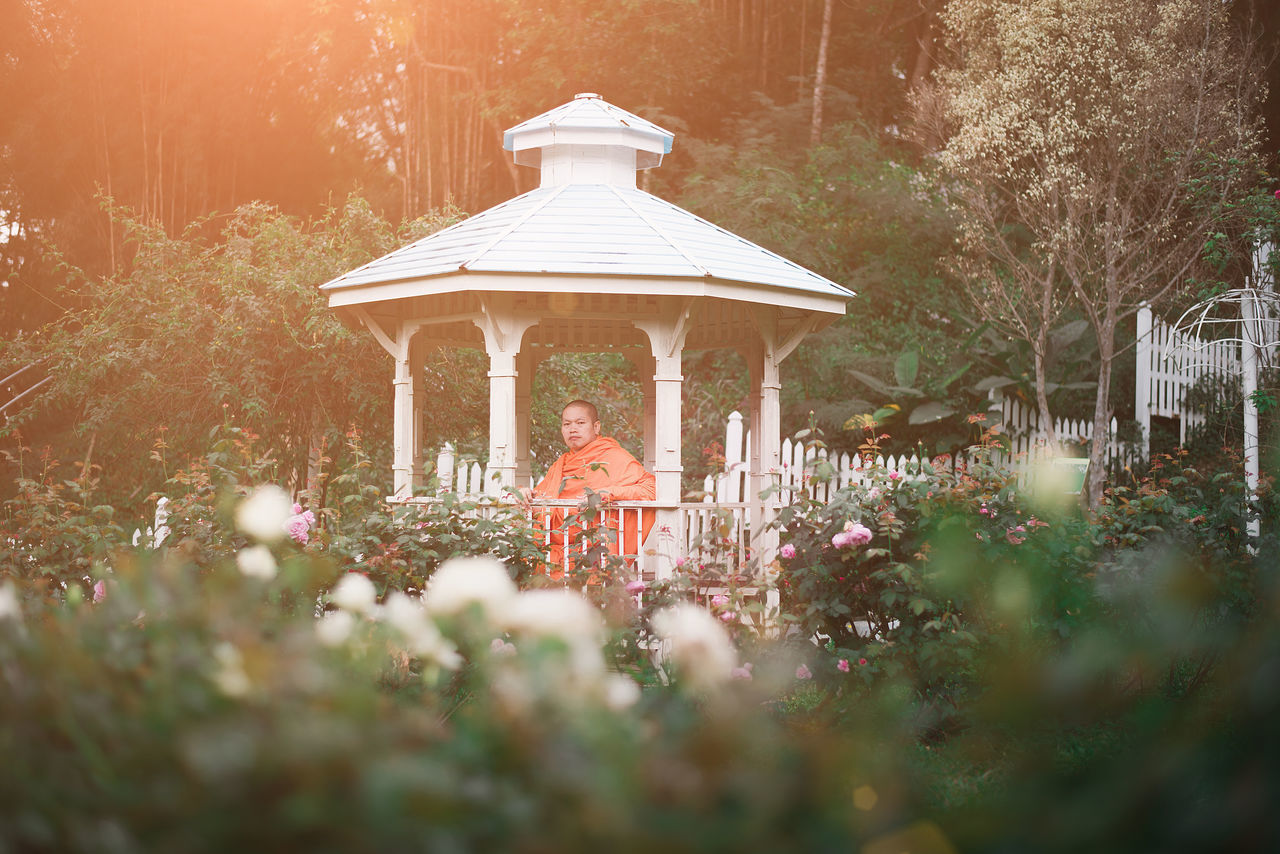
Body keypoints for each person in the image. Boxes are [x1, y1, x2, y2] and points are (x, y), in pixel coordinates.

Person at [525, 400, 655, 568]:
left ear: (596, 427)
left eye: (580, 423)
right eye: (567, 424)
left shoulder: (614, 457)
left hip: (595, 548)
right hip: (556, 547)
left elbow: (651, 489)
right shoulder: (561, 464)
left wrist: (606, 494)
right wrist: (525, 495)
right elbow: (541, 500)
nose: (573, 429)